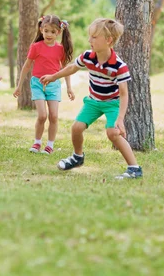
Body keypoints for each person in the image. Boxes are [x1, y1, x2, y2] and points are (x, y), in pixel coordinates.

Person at [40, 18, 142, 179]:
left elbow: (124, 94)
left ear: (108, 40)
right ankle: (77, 157)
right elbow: (73, 67)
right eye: (90, 36)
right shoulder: (88, 56)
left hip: (112, 104)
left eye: (94, 37)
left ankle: (134, 168)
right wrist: (53, 77)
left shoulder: (119, 66)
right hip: (93, 102)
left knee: (113, 133)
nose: (89, 40)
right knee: (76, 128)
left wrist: (120, 118)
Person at [13, 15, 75, 154]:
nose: (49, 34)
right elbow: (27, 66)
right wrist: (19, 85)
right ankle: (37, 143)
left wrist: (69, 88)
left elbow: (65, 69)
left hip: (53, 85)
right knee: (42, 115)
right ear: (41, 29)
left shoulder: (60, 49)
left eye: (53, 32)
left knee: (53, 116)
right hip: (37, 83)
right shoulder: (36, 47)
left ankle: (50, 145)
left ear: (58, 32)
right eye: (46, 31)